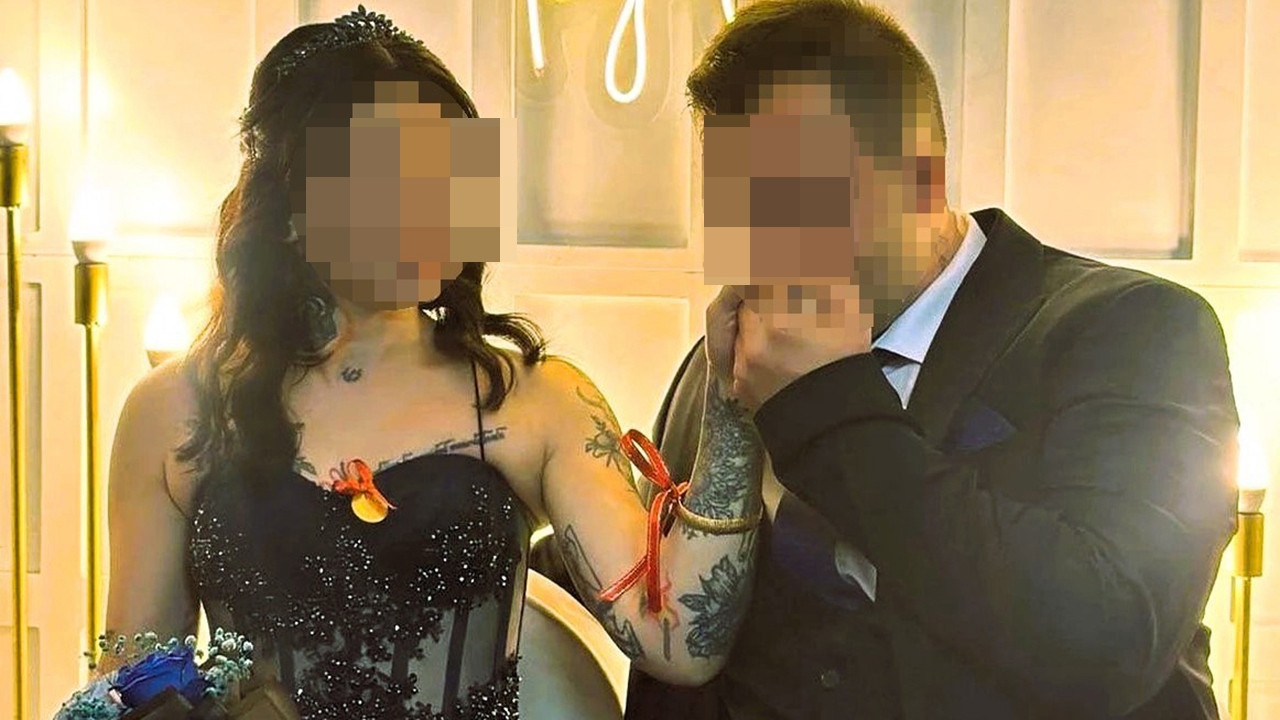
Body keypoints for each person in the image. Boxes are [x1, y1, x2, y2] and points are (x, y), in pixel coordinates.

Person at [95, 7, 765, 718]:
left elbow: (679, 641)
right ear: (289, 210)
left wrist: (733, 411)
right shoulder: (172, 410)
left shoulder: (537, 401)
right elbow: (133, 687)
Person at [625, 1, 1239, 719]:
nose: (759, 240)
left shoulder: (1136, 331)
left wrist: (825, 405)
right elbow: (681, 641)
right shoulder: (717, 365)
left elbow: (1107, 640)